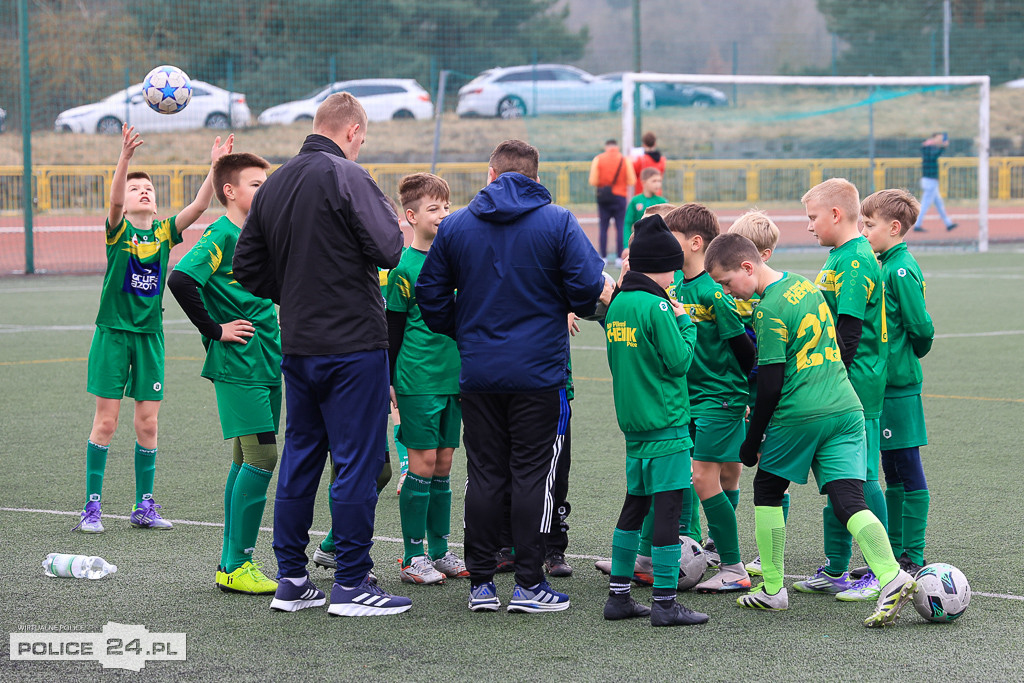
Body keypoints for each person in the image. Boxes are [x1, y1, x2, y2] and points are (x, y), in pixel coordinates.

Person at [233, 92, 409, 617]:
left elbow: (247, 267)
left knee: (301, 455)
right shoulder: (348, 174)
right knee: (357, 460)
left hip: (300, 344)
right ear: (352, 131)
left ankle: (291, 579)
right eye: (362, 138)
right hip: (353, 345)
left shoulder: (275, 183)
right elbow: (389, 250)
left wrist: (294, 290)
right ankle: (351, 583)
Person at [417, 139, 610, 614]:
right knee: (532, 476)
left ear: (491, 175)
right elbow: (589, 290)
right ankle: (528, 584)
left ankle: (481, 584)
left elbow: (430, 296)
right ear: (536, 178)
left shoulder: (456, 225)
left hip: (480, 373)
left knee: (484, 474)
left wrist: (467, 331)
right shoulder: (558, 221)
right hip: (539, 374)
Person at [704, 233, 918, 628]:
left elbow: (771, 383)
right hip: (846, 407)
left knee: (767, 490)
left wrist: (752, 441)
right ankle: (892, 577)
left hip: (801, 414)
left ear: (747, 267)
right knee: (848, 499)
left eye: (727, 282)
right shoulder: (804, 284)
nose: (728, 292)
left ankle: (772, 590)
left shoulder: (768, 309)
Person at [74, 124, 232, 534]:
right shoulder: (119, 230)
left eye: (148, 189)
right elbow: (113, 200)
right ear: (125, 202)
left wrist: (215, 168)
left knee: (148, 423)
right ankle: (92, 506)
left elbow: (199, 205)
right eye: (135, 189)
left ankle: (143, 505)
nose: (143, 192)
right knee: (106, 422)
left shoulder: (164, 232)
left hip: (150, 338)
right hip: (112, 334)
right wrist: (124, 158)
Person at [168, 152, 280, 595]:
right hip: (239, 365)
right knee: (262, 457)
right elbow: (181, 279)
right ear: (230, 191)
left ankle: (230, 563)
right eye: (256, 185)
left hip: (266, 360)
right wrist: (215, 329)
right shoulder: (222, 232)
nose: (265, 191)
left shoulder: (256, 234)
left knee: (244, 459)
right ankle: (237, 564)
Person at [601, 214, 709, 627]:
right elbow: (680, 362)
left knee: (635, 506)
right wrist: (686, 323)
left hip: (634, 425)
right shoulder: (658, 305)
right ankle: (665, 602)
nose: (675, 276)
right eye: (672, 269)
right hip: (667, 424)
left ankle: (619, 596)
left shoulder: (619, 304)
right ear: (660, 266)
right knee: (667, 511)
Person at [797, 178, 890, 603]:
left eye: (813, 217)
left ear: (836, 215)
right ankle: (836, 568)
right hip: (842, 385)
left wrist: (830, 382)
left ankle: (880, 571)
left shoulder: (854, 259)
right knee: (839, 478)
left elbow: (848, 334)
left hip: (855, 386)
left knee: (863, 478)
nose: (809, 226)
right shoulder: (840, 254)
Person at [665, 203, 755, 593]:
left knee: (703, 477)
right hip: (687, 398)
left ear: (695, 242)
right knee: (684, 474)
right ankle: (683, 552)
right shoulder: (675, 285)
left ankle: (733, 567)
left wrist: (746, 396)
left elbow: (746, 351)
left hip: (720, 398)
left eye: (671, 238)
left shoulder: (714, 291)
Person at [386, 172, 468, 585]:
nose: (442, 214)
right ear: (411, 216)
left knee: (444, 464)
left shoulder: (457, 261)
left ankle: (439, 550)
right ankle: (411, 556)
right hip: (417, 378)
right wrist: (389, 380)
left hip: (455, 379)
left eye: (446, 207)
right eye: (433, 208)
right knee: (421, 464)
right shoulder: (403, 267)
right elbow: (393, 328)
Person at [860, 189, 934, 576]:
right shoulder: (884, 264)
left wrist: (903, 359)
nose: (864, 231)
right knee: (891, 469)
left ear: (893, 227)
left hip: (898, 386)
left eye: (869, 225)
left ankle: (914, 555)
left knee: (906, 465)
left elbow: (920, 326)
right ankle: (894, 554)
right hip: (883, 385)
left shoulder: (900, 268)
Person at [726, 209, 784, 578]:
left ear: (762, 257)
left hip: (760, 393)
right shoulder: (730, 292)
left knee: (771, 471)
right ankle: (719, 539)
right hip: (737, 390)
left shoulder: (768, 300)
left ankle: (769, 554)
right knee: (729, 465)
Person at [589, 138, 637, 264]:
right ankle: (619, 257)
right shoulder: (624, 160)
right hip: (620, 197)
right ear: (617, 147)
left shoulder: (598, 159)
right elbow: (631, 180)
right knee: (620, 226)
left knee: (603, 227)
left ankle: (603, 256)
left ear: (606, 147)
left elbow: (593, 180)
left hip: (603, 197)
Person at [912, 133, 957, 232]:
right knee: (925, 205)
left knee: (939, 204)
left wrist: (941, 148)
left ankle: (948, 223)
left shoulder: (928, 147)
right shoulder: (929, 147)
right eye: (939, 138)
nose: (940, 140)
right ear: (934, 138)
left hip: (931, 181)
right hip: (929, 181)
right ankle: (917, 225)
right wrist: (943, 147)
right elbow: (934, 156)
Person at [623, 168, 667, 253]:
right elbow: (627, 224)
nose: (658, 184)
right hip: (638, 243)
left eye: (659, 181)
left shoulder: (662, 202)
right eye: (654, 181)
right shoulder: (635, 201)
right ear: (643, 182)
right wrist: (626, 246)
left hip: (657, 244)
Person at [632, 131, 667, 196]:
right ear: (655, 144)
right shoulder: (662, 160)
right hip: (657, 193)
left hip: (642, 194)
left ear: (644, 144)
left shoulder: (641, 160)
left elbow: (633, 174)